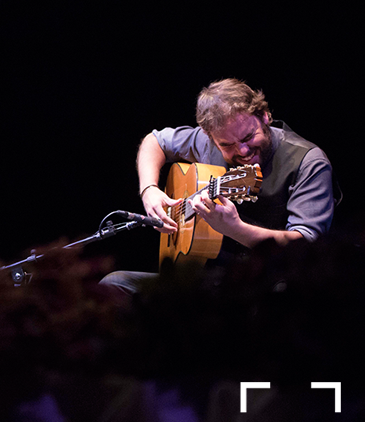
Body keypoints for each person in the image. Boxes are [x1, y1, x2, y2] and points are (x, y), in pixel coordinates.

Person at [102, 78, 337, 295]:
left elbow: (306, 244)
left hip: (270, 286)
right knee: (113, 286)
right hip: (209, 277)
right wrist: (149, 189)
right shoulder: (207, 141)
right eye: (227, 145)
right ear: (211, 137)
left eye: (247, 138)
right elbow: (155, 141)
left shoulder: (308, 162)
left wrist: (235, 228)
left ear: (265, 116)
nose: (243, 152)